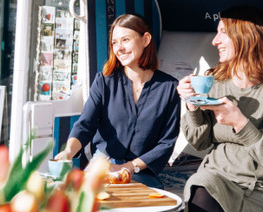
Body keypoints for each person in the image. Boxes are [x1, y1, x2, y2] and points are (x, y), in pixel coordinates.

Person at [172, 5, 263, 212]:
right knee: (198, 194)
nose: (214, 41)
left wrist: (240, 123)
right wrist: (192, 105)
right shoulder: (216, 83)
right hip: (214, 178)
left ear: (246, 37)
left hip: (255, 190)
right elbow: (199, 142)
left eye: (223, 32)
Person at [54, 13, 181, 189]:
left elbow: (166, 143)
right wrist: (68, 152)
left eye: (125, 40)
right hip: (103, 163)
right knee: (89, 195)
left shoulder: (169, 87)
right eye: (114, 42)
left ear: (145, 40)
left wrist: (127, 167)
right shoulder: (104, 81)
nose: (119, 48)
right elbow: (85, 125)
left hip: (140, 171)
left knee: (126, 199)